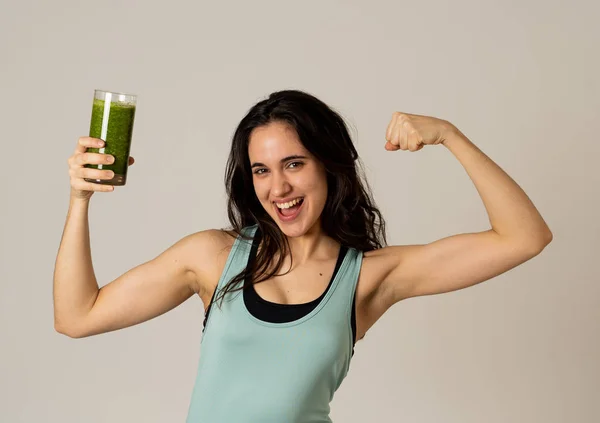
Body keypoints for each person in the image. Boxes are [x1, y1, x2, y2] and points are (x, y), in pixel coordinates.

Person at [54, 89, 553, 422]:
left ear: (329, 166)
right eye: (261, 170)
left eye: (294, 163)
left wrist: (449, 135)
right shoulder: (212, 256)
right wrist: (80, 200)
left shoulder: (368, 278)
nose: (279, 187)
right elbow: (76, 316)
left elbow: (524, 237)